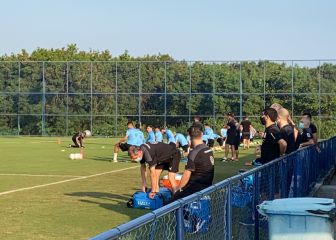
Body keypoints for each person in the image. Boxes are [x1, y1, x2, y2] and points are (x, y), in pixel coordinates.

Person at [172, 125, 214, 201]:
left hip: (195, 188)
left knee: (169, 203)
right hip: (207, 185)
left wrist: (178, 191)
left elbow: (186, 176)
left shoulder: (194, 152)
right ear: (201, 134)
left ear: (189, 136)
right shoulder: (208, 149)